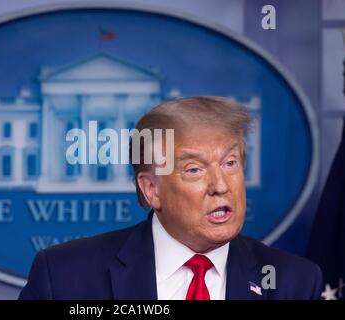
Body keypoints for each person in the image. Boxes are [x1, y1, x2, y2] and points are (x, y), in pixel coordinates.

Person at [19, 96, 323, 300]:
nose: (220, 185)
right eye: (194, 169)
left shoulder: (294, 282)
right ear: (152, 190)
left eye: (230, 163)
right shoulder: (64, 278)